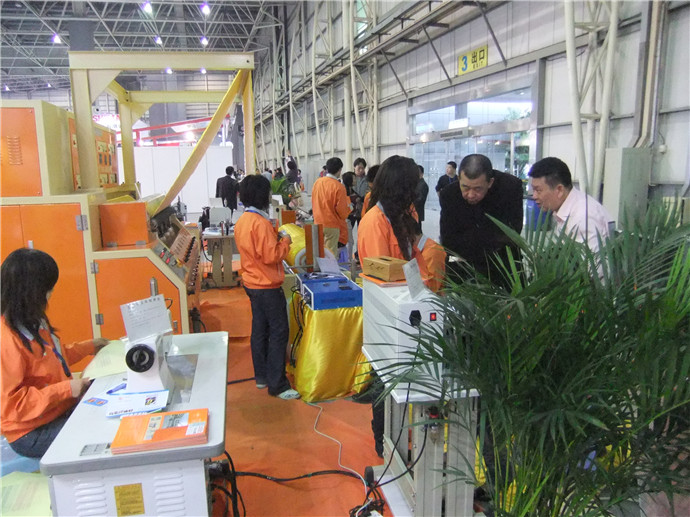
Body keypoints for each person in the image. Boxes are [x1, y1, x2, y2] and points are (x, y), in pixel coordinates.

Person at [1, 248, 108, 458]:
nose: (50, 294)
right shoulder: (6, 340)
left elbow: (53, 358)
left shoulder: (31, 320)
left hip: (56, 412)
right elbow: (12, 406)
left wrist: (89, 347)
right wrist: (66, 389)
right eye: (47, 289)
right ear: (29, 291)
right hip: (31, 433)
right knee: (101, 432)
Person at [234, 175, 300, 400]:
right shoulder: (260, 223)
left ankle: (261, 376)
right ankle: (278, 384)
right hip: (267, 286)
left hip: (252, 283)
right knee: (279, 332)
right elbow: (272, 255)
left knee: (260, 330)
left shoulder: (243, 221)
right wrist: (286, 241)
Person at [440, 154, 523, 287]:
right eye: (465, 187)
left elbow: (511, 233)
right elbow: (449, 240)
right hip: (462, 265)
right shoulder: (448, 195)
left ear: (490, 182)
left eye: (478, 189)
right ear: (459, 178)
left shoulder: (510, 188)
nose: (471, 195)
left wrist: (473, 240)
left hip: (502, 265)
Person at [529, 157, 613, 252]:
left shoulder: (582, 217)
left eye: (538, 190)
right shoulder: (566, 208)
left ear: (559, 190)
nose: (534, 196)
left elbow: (590, 260)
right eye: (533, 190)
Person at [311, 157, 351, 257]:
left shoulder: (317, 183)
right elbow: (342, 211)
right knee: (330, 256)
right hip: (331, 225)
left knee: (319, 254)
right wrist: (349, 210)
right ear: (340, 170)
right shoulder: (339, 187)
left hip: (317, 223)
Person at [351, 157, 369, 226]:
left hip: (362, 207)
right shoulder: (349, 178)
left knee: (362, 227)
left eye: (363, 168)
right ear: (354, 167)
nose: (361, 170)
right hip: (351, 208)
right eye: (359, 168)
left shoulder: (367, 179)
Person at [414, 165, 429, 232]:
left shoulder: (423, 185)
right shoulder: (416, 183)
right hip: (414, 213)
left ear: (421, 174)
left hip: (417, 212)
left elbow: (420, 200)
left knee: (417, 232)